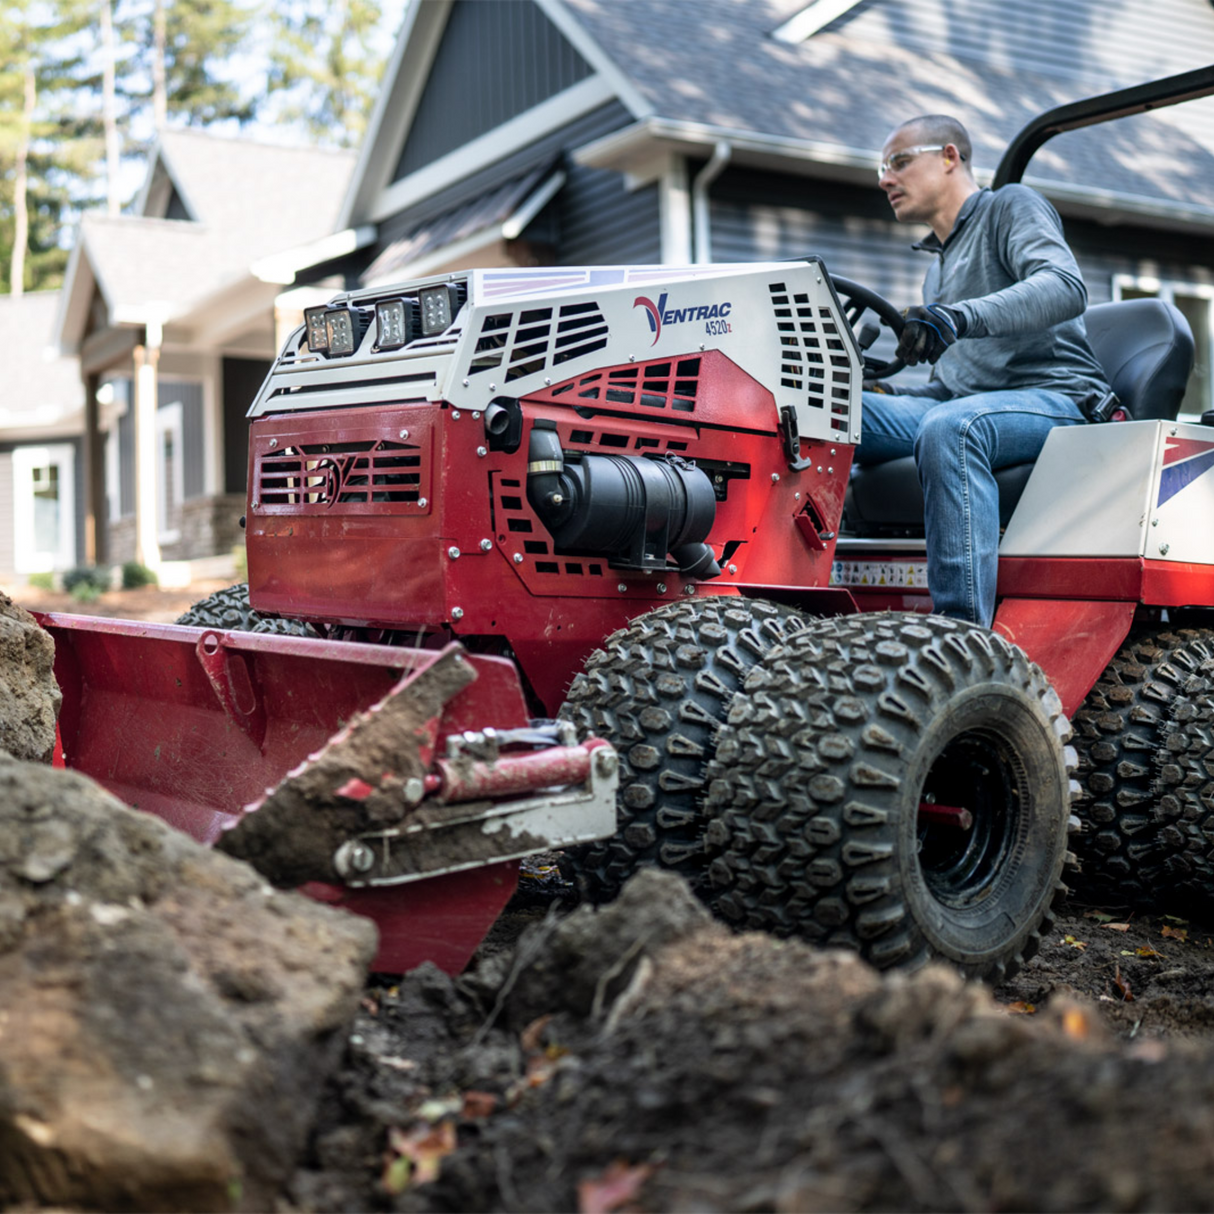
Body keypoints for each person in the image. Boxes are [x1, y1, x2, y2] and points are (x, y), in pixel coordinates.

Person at [858, 114, 1111, 628]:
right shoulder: (938, 266)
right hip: (965, 402)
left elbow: (1065, 286)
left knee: (952, 428)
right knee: (829, 411)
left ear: (950, 157)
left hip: (1056, 397)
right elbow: (954, 383)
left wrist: (960, 317)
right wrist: (887, 388)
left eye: (900, 162)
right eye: (883, 168)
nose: (885, 179)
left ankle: (963, 635)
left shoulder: (1010, 206)